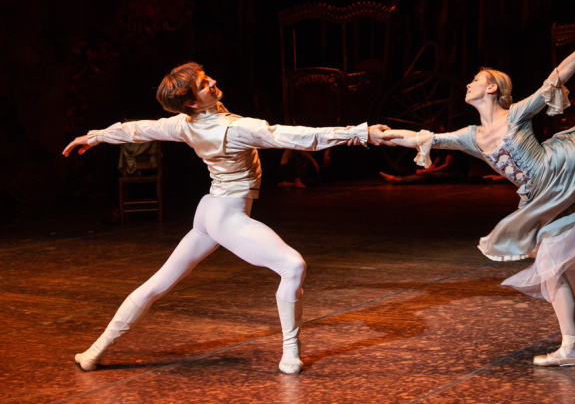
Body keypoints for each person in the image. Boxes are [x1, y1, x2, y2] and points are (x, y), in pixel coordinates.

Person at [385, 0, 575, 366]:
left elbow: (556, 79)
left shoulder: (515, 116)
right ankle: (570, 346)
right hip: (543, 200)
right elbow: (429, 139)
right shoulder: (471, 136)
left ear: (491, 90)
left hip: (570, 162)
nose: (470, 83)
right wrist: (381, 135)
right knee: (551, 266)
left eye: (477, 79)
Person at [63, 62, 398, 374]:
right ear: (192, 103)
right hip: (225, 216)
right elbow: (300, 138)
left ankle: (94, 353)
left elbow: (141, 129)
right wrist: (361, 132)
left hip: (210, 209)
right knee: (292, 266)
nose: (213, 83)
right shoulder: (235, 129)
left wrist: (96, 136)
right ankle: (290, 351)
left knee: (158, 285)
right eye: (205, 84)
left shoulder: (184, 124)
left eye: (208, 78)